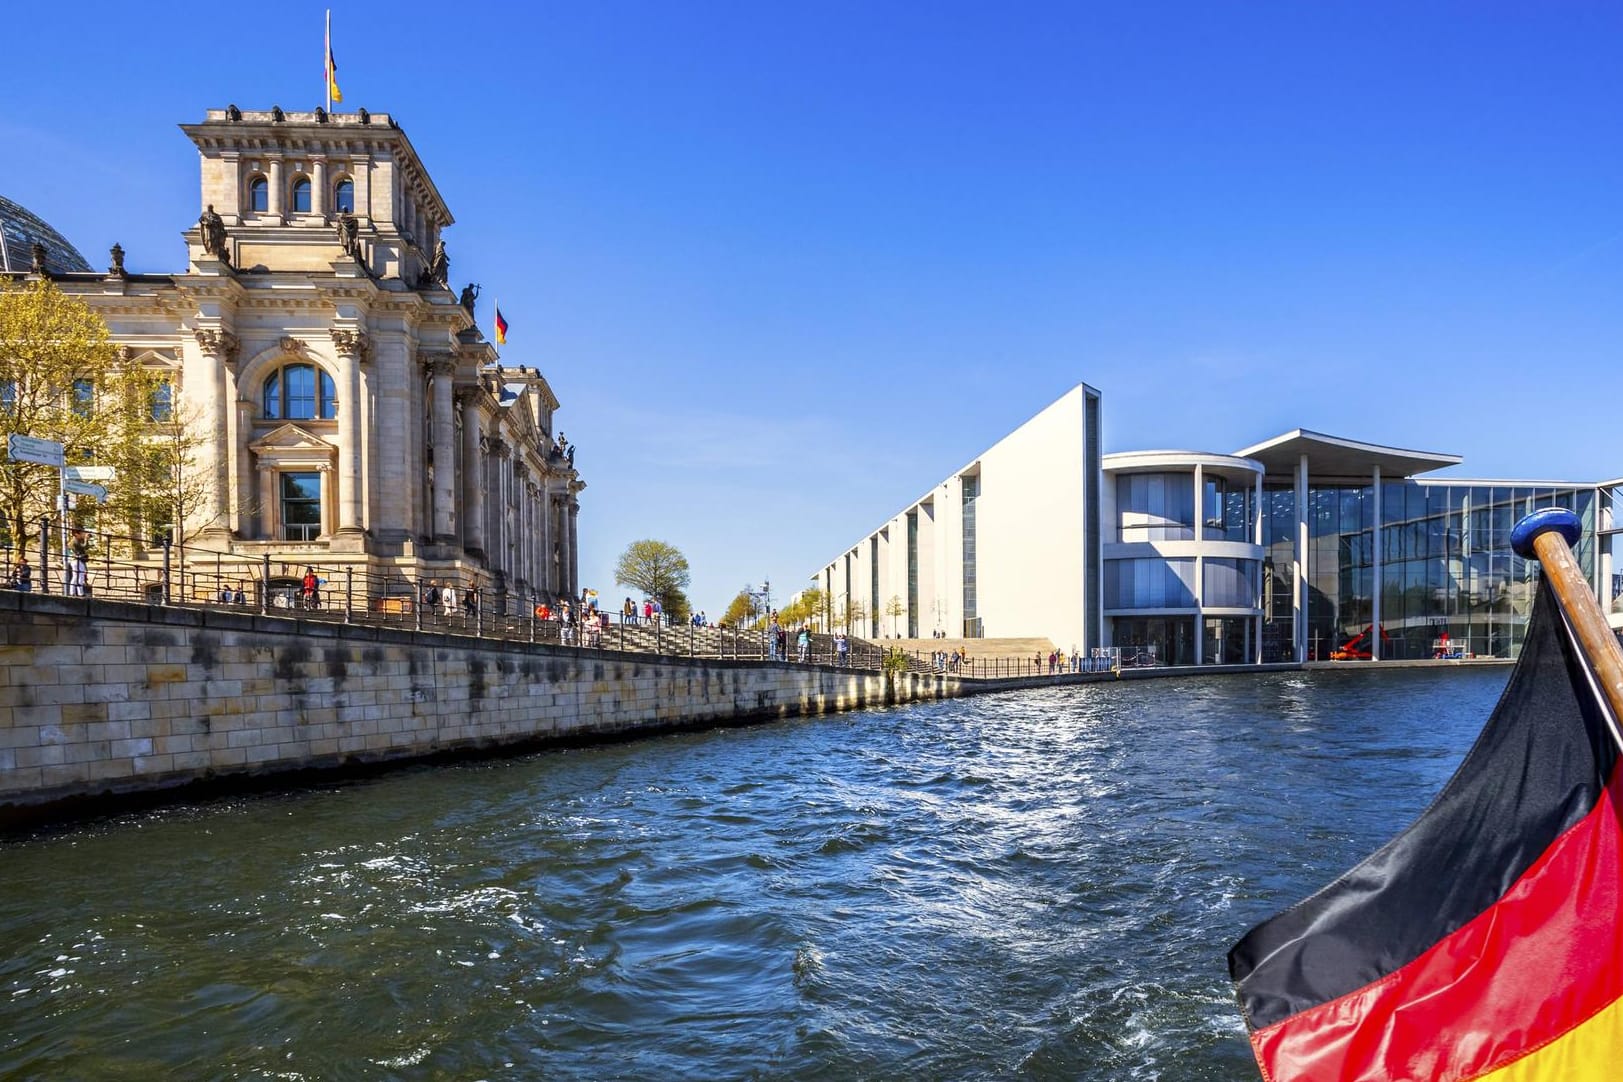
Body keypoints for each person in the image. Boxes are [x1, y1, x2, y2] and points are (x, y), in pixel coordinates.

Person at [68, 528, 90, 597]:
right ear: (76, 534)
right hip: (77, 560)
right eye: (82, 533)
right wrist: (86, 539)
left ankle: (72, 592)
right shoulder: (75, 541)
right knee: (80, 576)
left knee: (75, 576)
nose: (83, 534)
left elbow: (85, 547)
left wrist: (86, 540)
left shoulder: (75, 541)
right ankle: (80, 593)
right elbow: (84, 547)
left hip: (75, 560)